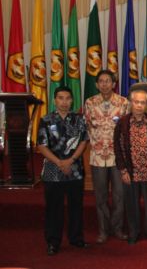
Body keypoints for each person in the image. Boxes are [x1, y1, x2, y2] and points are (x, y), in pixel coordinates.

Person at [38, 86, 89, 255]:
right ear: (55, 100)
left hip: (75, 169)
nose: (64, 102)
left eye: (67, 98)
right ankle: (53, 242)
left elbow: (83, 142)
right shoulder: (46, 120)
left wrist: (70, 161)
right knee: (54, 208)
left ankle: (76, 238)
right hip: (53, 170)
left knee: (76, 207)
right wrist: (60, 162)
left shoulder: (79, 119)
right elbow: (42, 145)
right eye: (60, 98)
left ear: (72, 100)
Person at [83, 70, 129, 243]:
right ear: (97, 84)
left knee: (119, 196)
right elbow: (88, 127)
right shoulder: (90, 103)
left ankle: (117, 228)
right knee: (100, 196)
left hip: (118, 157)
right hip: (97, 157)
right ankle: (103, 230)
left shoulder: (123, 103)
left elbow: (126, 129)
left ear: (114, 84)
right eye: (101, 81)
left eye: (108, 81)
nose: (104, 84)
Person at [114, 89, 147, 245]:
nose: (139, 105)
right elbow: (118, 147)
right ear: (131, 103)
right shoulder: (123, 122)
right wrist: (123, 170)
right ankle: (133, 232)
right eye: (136, 102)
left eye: (143, 103)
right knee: (131, 204)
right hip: (130, 171)